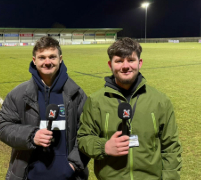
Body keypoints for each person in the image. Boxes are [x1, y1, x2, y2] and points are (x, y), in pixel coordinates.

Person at [77, 37, 182, 180]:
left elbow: (171, 147)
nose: (125, 66)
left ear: (140, 63)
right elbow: (83, 138)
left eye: (131, 60)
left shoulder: (160, 101)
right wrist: (104, 147)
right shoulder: (96, 101)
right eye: (119, 61)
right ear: (110, 65)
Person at [0, 36, 89, 180]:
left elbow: (88, 132)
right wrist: (31, 136)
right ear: (34, 60)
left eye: (52, 57)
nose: (47, 62)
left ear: (60, 59)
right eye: (42, 57)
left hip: (69, 175)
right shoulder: (19, 94)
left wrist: (73, 165)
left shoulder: (77, 94)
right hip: (29, 176)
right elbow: (3, 126)